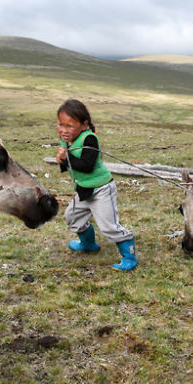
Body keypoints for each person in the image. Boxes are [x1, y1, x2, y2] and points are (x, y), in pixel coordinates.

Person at [55, 99, 138, 271]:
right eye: (60, 124)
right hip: (84, 190)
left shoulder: (89, 139)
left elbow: (87, 166)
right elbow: (68, 167)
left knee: (108, 226)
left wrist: (66, 159)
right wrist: (62, 160)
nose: (64, 130)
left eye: (69, 126)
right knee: (72, 217)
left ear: (84, 125)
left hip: (101, 189)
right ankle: (89, 244)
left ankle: (129, 255)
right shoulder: (67, 141)